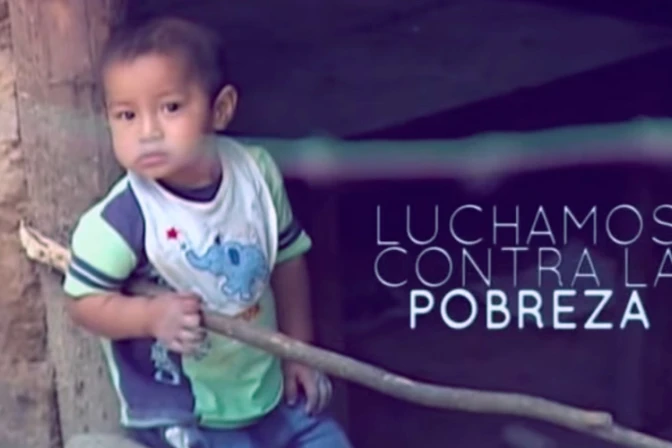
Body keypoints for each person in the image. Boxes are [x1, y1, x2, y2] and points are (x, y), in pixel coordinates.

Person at [61, 16, 352, 448]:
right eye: (127, 115)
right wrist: (149, 317)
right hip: (190, 413)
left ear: (220, 109)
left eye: (170, 108)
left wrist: (298, 353)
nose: (148, 132)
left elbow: (288, 260)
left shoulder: (256, 174)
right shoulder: (123, 218)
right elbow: (83, 303)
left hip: (268, 390)